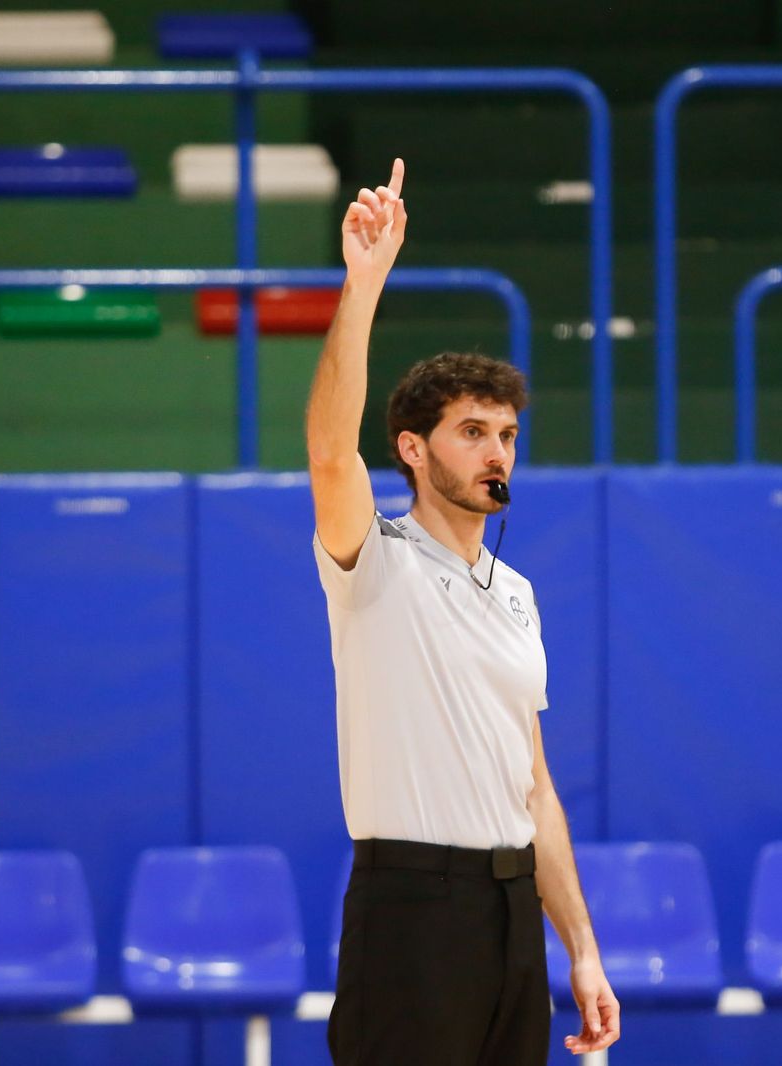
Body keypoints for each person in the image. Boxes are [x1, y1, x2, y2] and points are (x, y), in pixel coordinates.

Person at [306, 158, 619, 1065]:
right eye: (473, 431)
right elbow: (330, 451)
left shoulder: (518, 596)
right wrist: (363, 284)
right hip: (410, 909)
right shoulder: (374, 562)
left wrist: (582, 950)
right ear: (412, 447)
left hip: (511, 912)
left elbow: (536, 789)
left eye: (508, 435)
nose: (498, 453)